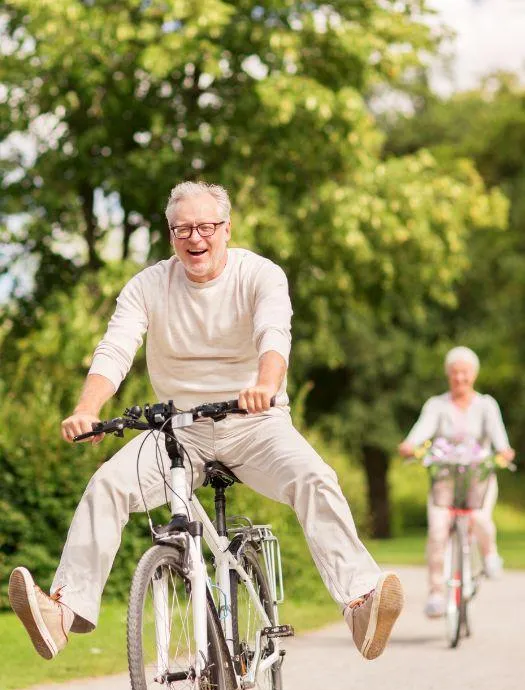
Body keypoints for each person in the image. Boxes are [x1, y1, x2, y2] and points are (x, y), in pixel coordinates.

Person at [9, 181, 403, 662]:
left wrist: (265, 384)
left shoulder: (259, 274)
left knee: (315, 478)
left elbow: (274, 334)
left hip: (255, 423)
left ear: (226, 229)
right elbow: (115, 349)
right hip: (178, 431)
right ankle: (63, 613)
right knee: (107, 485)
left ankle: (360, 603)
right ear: (170, 234)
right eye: (182, 229)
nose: (195, 238)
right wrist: (86, 409)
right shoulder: (148, 285)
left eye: (206, 227)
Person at [398, 346, 514, 618]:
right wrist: (409, 445)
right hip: (445, 478)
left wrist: (504, 451)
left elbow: (500, 440)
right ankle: (437, 593)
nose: (459, 378)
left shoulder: (486, 405)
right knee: (438, 531)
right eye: (454, 373)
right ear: (448, 375)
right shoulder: (437, 405)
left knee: (480, 518)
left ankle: (489, 555)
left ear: (473, 375)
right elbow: (420, 432)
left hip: (478, 477)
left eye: (464, 373)